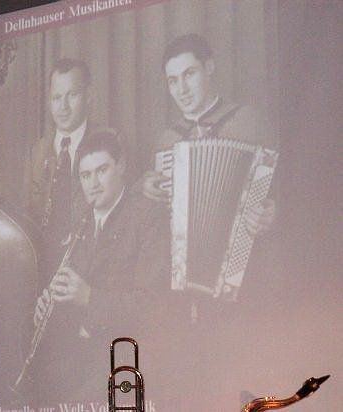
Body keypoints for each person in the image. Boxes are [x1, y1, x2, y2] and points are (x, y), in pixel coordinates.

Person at [32, 130, 171, 402]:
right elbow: (68, 300)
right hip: (80, 352)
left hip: (127, 353)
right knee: (34, 391)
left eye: (102, 171)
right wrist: (49, 307)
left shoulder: (148, 217)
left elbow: (152, 305)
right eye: (86, 175)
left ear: (121, 166)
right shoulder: (81, 221)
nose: (93, 184)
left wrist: (88, 296)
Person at [141, 34, 278, 308]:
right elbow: (153, 222)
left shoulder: (248, 122)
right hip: (181, 286)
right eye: (172, 81)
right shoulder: (167, 141)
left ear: (209, 68)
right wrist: (145, 188)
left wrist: (273, 211)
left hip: (245, 275)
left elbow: (282, 191)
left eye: (189, 74)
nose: (182, 89)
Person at [25, 58, 96, 278]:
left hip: (89, 268)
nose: (63, 107)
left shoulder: (106, 142)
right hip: (43, 270)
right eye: (56, 98)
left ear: (88, 96)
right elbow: (29, 214)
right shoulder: (37, 152)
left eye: (72, 95)